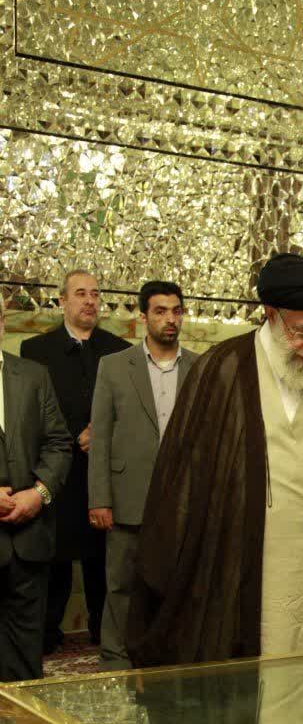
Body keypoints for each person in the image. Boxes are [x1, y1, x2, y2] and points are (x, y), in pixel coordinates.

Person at [127, 252, 303, 666]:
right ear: (271, 315)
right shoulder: (221, 368)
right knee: (241, 680)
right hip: (235, 562)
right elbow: (181, 477)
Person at [87, 281, 197, 667]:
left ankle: (168, 659)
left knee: (177, 584)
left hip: (182, 500)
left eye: (176, 311)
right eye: (160, 311)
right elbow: (100, 437)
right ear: (143, 317)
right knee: (121, 584)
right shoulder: (115, 366)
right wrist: (99, 499)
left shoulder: (200, 366)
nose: (170, 319)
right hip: (127, 495)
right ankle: (115, 659)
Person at [20, 270, 130, 650]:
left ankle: (105, 635)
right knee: (55, 560)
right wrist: (72, 436)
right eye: (80, 293)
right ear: (62, 301)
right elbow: (32, 410)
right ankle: (46, 638)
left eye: (95, 294)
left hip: (104, 471)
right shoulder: (36, 350)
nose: (89, 301)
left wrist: (102, 432)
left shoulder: (119, 349)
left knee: (102, 559)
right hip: (56, 471)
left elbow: (129, 407)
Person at [0, 296, 71, 680]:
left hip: (29, 539)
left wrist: (38, 494)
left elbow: (59, 443)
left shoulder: (33, 376)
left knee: (25, 662)